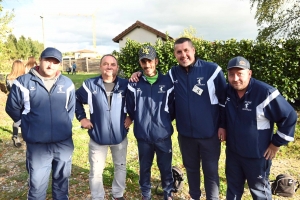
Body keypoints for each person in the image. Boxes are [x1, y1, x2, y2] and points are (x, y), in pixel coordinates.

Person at [130, 37, 227, 200]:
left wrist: (223, 126)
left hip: (209, 134)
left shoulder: (212, 70)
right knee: (191, 169)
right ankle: (195, 197)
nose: (183, 55)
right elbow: (153, 78)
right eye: (179, 52)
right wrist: (137, 74)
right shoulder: (172, 74)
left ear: (193, 50)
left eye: (186, 50)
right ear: (175, 54)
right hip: (186, 135)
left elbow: (224, 101)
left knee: (210, 171)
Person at [5, 47, 76, 200]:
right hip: (37, 145)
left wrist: (62, 126)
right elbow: (12, 107)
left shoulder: (67, 84)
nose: (51, 65)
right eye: (47, 60)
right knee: (37, 186)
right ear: (40, 60)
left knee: (62, 184)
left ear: (60, 65)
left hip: (63, 143)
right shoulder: (22, 82)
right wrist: (25, 125)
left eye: (55, 62)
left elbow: (70, 110)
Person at [225, 56, 297, 199]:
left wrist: (275, 144)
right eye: (231, 74)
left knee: (259, 192)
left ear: (249, 73)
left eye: (240, 74)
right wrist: (222, 126)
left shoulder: (265, 93)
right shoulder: (228, 91)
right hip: (233, 153)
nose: (235, 78)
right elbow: (222, 111)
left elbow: (290, 116)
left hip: (257, 156)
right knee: (232, 189)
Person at [75, 54, 132, 200]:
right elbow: (75, 99)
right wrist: (82, 118)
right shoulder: (90, 84)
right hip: (98, 136)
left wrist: (131, 116)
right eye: (106, 64)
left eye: (113, 64)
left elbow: (136, 102)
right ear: (100, 66)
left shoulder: (126, 85)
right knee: (96, 171)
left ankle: (118, 195)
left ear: (117, 67)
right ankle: (97, 197)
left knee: (120, 166)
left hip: (119, 135)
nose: (109, 67)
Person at [126, 46, 175, 200]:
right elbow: (131, 108)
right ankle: (145, 195)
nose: (147, 65)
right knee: (144, 168)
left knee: (166, 169)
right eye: (144, 61)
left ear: (156, 61)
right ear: (140, 63)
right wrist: (141, 121)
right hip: (143, 137)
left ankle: (168, 193)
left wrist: (164, 122)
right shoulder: (134, 83)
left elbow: (173, 108)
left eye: (150, 61)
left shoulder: (168, 81)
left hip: (163, 136)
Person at [5, 60, 26, 147]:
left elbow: (8, 90)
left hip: (12, 101)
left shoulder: (8, 78)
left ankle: (15, 135)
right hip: (22, 101)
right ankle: (24, 134)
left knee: (16, 119)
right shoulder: (24, 79)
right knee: (23, 118)